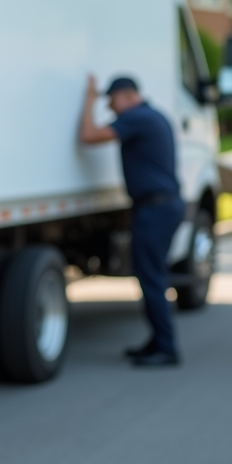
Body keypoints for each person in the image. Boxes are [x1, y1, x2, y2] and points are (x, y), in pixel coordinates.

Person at [80, 75, 185, 367]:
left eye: (111, 102)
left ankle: (165, 347)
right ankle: (157, 341)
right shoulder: (152, 116)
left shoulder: (137, 118)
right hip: (162, 207)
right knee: (153, 276)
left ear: (126, 96)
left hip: (155, 210)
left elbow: (89, 136)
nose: (111, 109)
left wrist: (88, 99)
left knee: (151, 278)